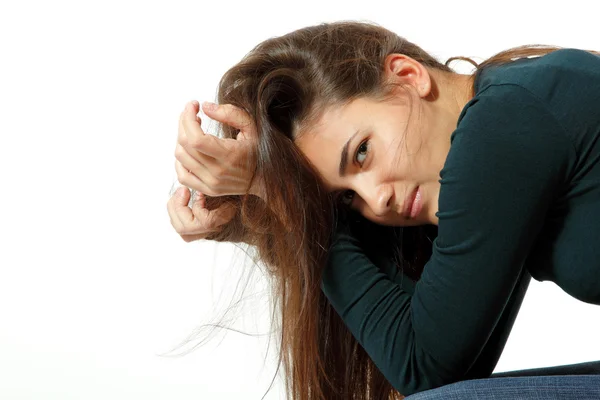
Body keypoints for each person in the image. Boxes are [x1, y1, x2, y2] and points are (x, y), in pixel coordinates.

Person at [166, 21, 600, 399]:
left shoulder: (503, 125)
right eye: (346, 199)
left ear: (407, 76)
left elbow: (422, 366)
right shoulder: (513, 111)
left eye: (362, 153)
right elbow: (454, 368)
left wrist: (282, 198)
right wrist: (270, 216)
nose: (376, 200)